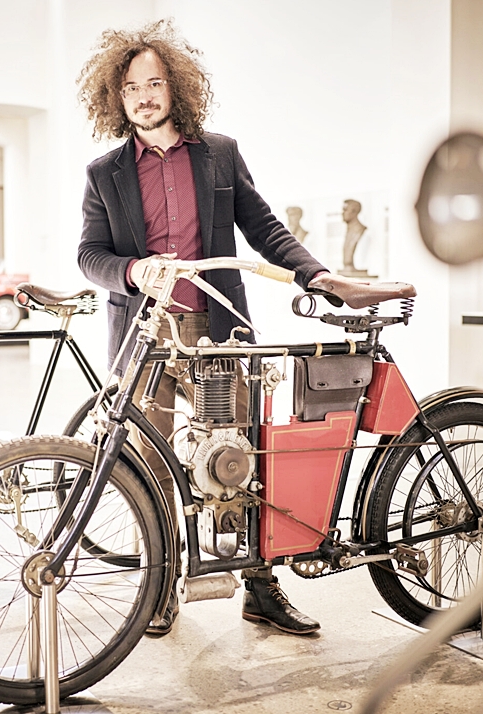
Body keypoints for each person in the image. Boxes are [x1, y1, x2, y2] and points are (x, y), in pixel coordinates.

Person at [76, 19, 358, 638]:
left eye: (154, 83)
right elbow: (90, 256)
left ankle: (259, 587)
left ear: (174, 86)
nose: (143, 96)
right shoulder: (105, 173)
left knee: (241, 461)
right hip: (146, 337)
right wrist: (132, 270)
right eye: (131, 88)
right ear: (116, 97)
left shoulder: (219, 153)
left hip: (219, 331)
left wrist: (316, 274)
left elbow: (264, 228)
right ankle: (159, 587)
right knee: (149, 466)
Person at [341, 199, 370, 274]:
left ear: (354, 212)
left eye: (345, 210)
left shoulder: (359, 230)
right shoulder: (348, 231)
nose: (342, 213)